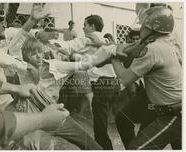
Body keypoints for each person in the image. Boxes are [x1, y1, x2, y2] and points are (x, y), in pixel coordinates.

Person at [110, 6, 181, 149]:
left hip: (173, 114)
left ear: (152, 29)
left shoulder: (153, 50)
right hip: (166, 108)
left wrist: (113, 57)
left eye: (145, 25)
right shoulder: (167, 41)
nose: (142, 28)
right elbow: (135, 46)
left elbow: (124, 79)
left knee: (137, 149)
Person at [16, 35, 102, 150]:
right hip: (35, 120)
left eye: (40, 52)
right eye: (33, 54)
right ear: (26, 57)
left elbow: (82, 65)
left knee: (90, 144)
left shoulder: (55, 65)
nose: (38, 56)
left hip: (55, 114)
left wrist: (107, 52)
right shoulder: (21, 68)